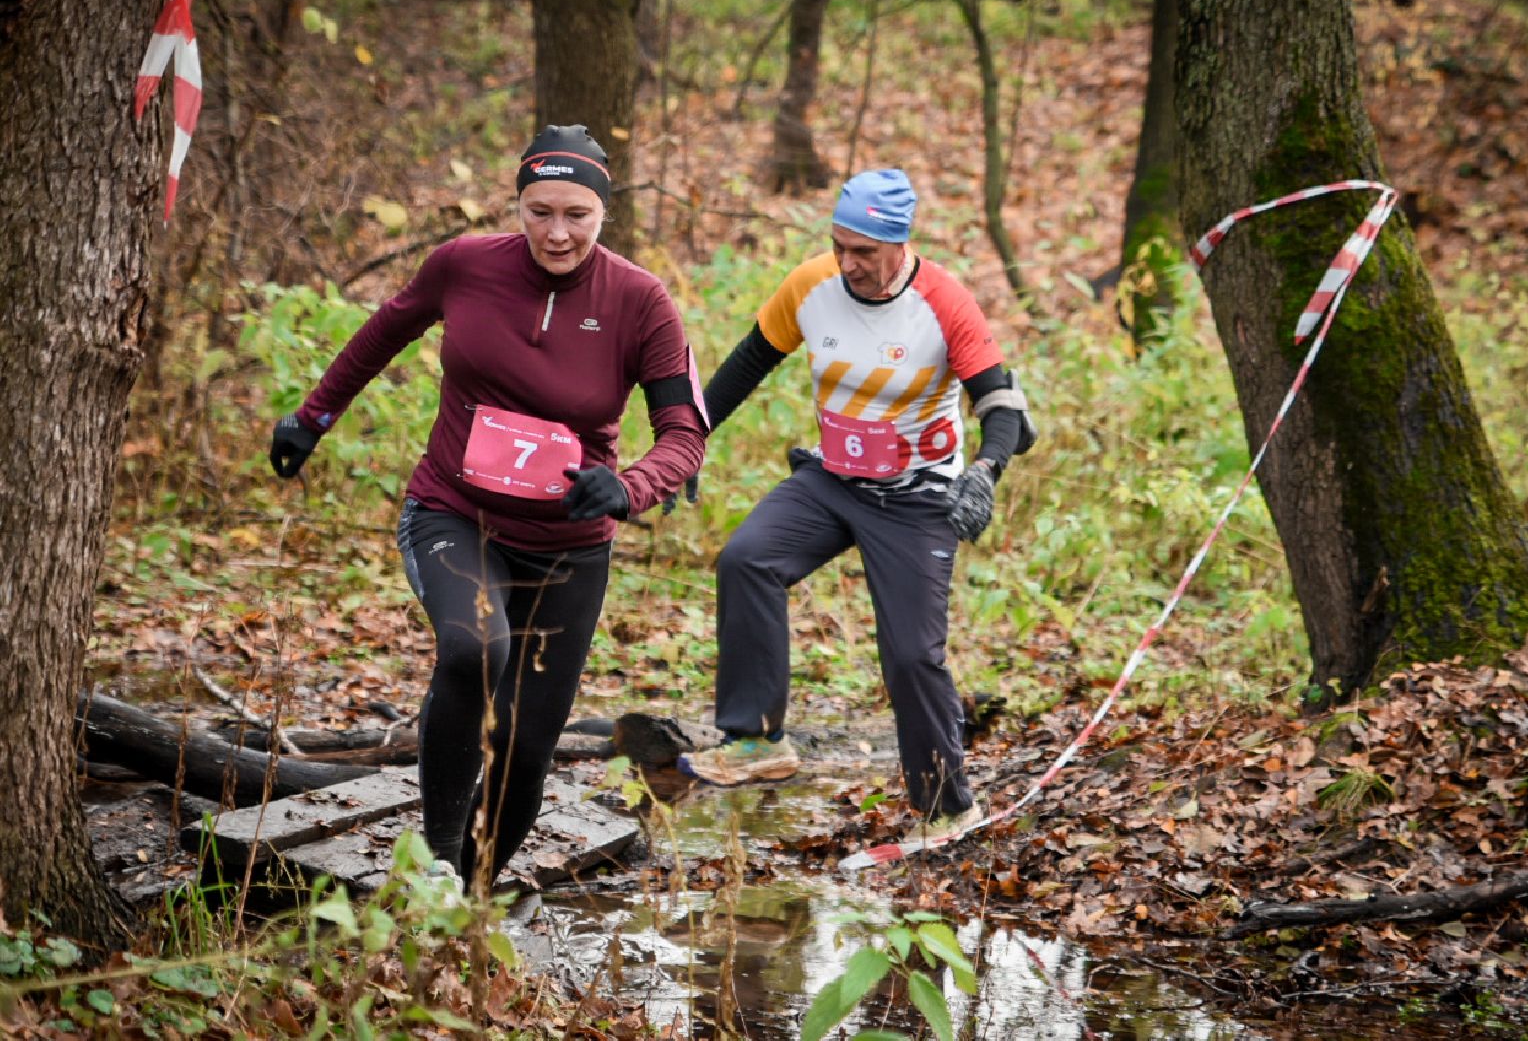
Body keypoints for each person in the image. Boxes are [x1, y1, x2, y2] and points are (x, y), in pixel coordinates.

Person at [267, 125, 707, 891]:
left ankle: (468, 899)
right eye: (540, 211)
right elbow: (381, 335)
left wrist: (631, 486)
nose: (557, 233)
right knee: (476, 648)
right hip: (453, 513)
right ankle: (436, 858)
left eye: (577, 214)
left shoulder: (640, 301)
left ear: (604, 211)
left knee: (527, 747)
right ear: (518, 203)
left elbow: (684, 432)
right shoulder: (464, 265)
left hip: (569, 545)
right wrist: (312, 418)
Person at [677, 168, 1034, 845]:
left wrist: (985, 471)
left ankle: (947, 810)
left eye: (865, 252)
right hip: (832, 481)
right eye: (840, 245)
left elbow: (1001, 405)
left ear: (901, 245)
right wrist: (688, 440)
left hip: (917, 500)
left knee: (911, 657)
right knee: (747, 559)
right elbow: (747, 362)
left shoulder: (944, 302)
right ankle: (756, 741)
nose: (848, 264)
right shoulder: (812, 285)